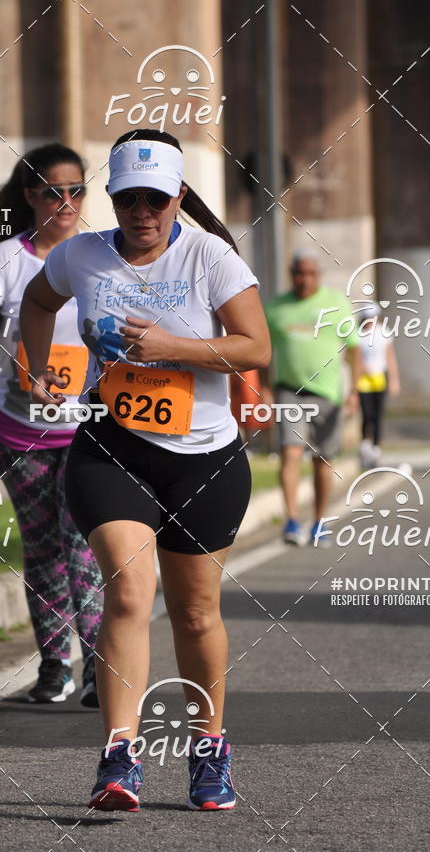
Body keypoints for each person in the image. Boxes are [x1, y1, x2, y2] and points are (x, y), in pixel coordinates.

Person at [19, 129, 271, 812]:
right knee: (130, 592)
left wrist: (173, 347)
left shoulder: (209, 257)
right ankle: (118, 756)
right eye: (129, 198)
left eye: (156, 199)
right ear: (114, 198)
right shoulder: (83, 256)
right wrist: (38, 366)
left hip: (206, 460)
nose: (142, 212)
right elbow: (38, 303)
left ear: (178, 197)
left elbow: (255, 343)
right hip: (113, 447)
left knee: (194, 612)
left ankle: (209, 750)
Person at [0, 143, 103, 706]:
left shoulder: (99, 253)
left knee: (81, 543)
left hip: (88, 428)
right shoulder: (6, 259)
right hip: (18, 430)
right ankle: (54, 666)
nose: (66, 202)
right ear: (30, 195)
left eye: (77, 190)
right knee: (42, 545)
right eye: (53, 191)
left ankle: (97, 666)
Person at [264, 250, 361, 547]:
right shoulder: (276, 307)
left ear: (318, 275)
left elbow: (354, 348)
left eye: (309, 273)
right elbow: (261, 352)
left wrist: (354, 391)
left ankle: (319, 522)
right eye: (298, 273)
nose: (304, 279)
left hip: (327, 393)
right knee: (290, 452)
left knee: (323, 460)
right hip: (288, 391)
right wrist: (264, 390)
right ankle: (292, 520)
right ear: (291, 274)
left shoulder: (336, 304)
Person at [357, 302, 401, 468]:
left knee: (377, 415)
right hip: (364, 380)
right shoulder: (358, 334)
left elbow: (390, 357)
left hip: (379, 378)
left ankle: (376, 448)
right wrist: (360, 366)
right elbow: (351, 356)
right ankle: (364, 444)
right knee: (367, 414)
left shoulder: (384, 333)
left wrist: (394, 379)